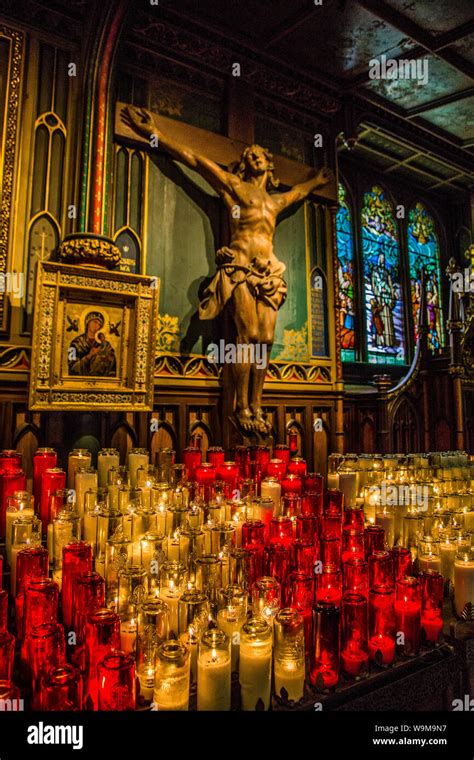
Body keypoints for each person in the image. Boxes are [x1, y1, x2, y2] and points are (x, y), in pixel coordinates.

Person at [122, 105, 333, 433]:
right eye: (249, 155)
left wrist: (317, 180)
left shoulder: (275, 202)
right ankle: (241, 405)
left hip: (270, 274)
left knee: (264, 339)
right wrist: (156, 135)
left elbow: (299, 193)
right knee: (246, 337)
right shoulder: (234, 187)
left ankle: (258, 404)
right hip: (240, 269)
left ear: (268, 162)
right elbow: (194, 160)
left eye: (259, 154)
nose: (254, 158)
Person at [68, 311, 117, 377]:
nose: (97, 326)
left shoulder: (105, 344)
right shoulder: (75, 343)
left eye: (100, 324)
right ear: (87, 322)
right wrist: (89, 356)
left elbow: (112, 367)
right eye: (95, 322)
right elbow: (72, 368)